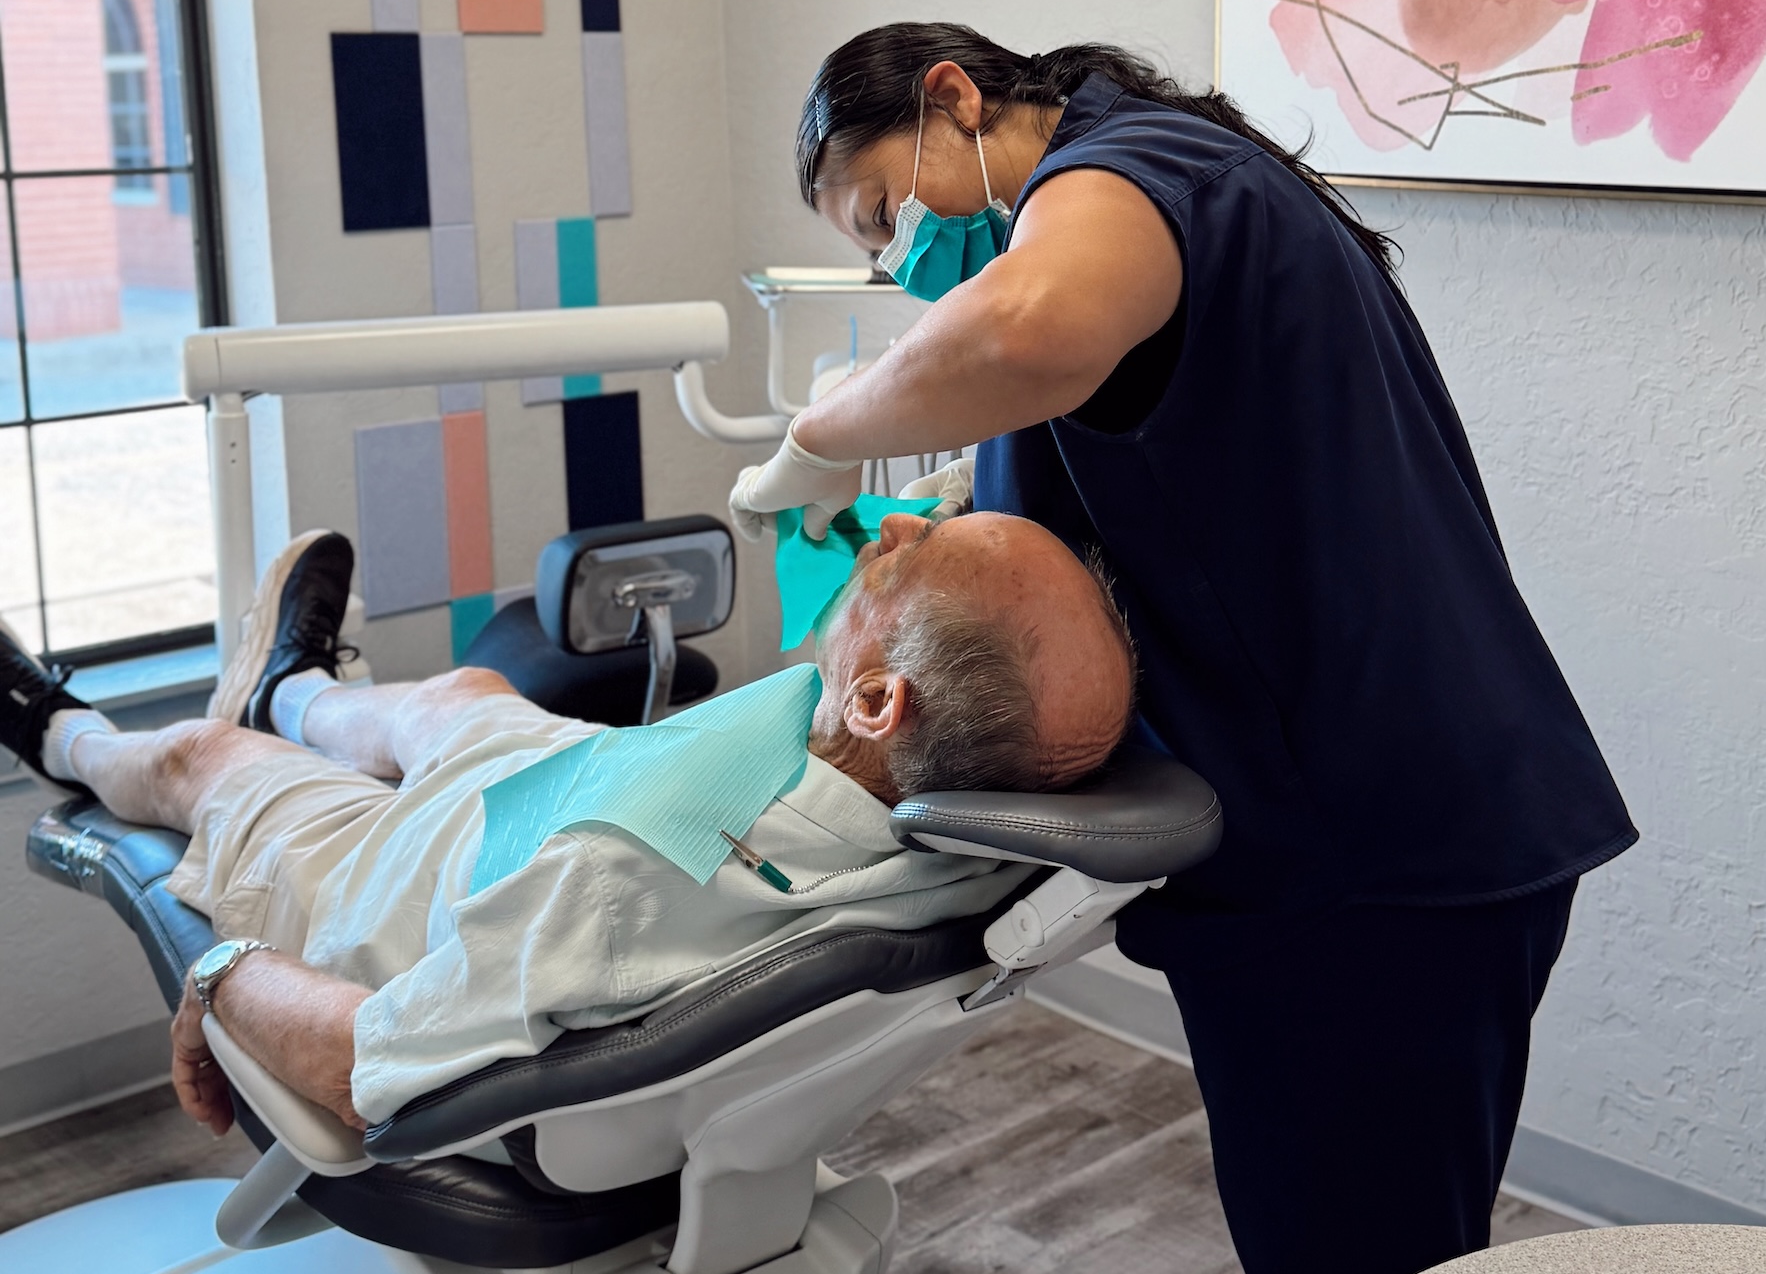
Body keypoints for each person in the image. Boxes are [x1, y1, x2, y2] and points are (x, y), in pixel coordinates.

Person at [729, 23, 1639, 1274]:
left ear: (955, 100)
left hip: (1368, 866)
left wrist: (820, 428)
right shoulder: (1179, 190)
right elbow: (1170, 501)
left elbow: (1028, 332)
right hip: (1393, 832)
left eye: (885, 214)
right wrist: (966, 520)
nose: (895, 258)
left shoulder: (1127, 174)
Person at [0, 515, 1133, 1134]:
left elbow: (367, 1057)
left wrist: (222, 971)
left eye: (915, 552)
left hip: (400, 883)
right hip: (579, 782)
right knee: (463, 697)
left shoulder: (611, 888)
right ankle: (288, 686)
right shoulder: (979, 830)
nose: (887, 531)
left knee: (207, 762)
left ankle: (52, 723)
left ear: (880, 701)